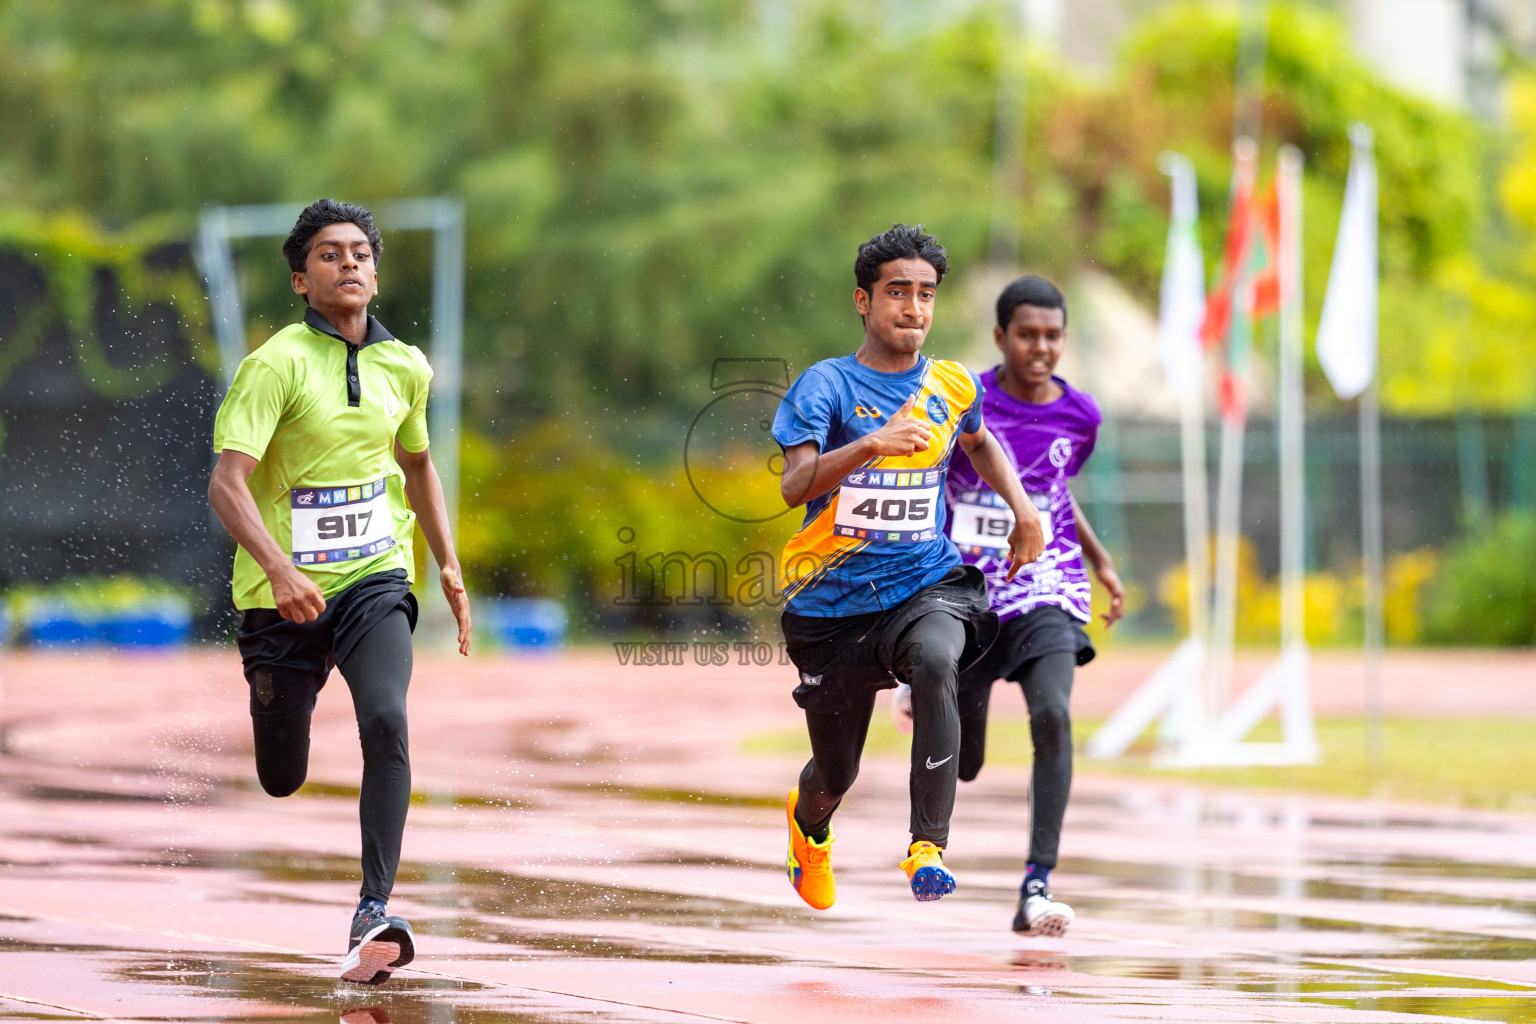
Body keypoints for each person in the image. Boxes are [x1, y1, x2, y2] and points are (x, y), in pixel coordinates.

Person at [207, 199, 472, 986]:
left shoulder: (407, 366)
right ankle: (270, 693)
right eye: (329, 254)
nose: (348, 263)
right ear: (300, 278)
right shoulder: (274, 365)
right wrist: (282, 570)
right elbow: (227, 486)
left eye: (360, 252)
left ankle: (373, 911)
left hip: (374, 579)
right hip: (279, 597)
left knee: (387, 719)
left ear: (376, 273)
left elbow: (417, 462)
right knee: (282, 774)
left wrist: (447, 563)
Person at [772, 224, 1046, 909]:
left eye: (926, 294)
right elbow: (794, 486)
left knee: (934, 660)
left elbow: (980, 445)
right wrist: (873, 444)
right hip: (831, 608)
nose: (915, 309)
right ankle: (810, 831)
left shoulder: (952, 386)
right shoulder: (826, 386)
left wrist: (1023, 509)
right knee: (835, 773)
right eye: (899, 293)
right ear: (863, 301)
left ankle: (928, 847)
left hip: (925, 583)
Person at [933, 275, 1124, 937]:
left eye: (1051, 336)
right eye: (1026, 335)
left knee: (1053, 714)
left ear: (1062, 340)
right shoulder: (966, 402)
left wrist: (1098, 563)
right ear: (1000, 338)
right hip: (968, 592)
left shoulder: (1083, 416)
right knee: (967, 762)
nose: (1040, 348)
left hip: (1047, 582)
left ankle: (1036, 886)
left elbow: (1053, 495)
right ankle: (923, 690)